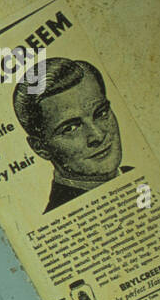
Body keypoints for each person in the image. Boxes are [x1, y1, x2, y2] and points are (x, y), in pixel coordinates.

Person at [11, 58, 130, 213]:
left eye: (100, 113)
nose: (97, 135)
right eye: (71, 128)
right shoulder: (59, 214)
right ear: (40, 148)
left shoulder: (137, 175)